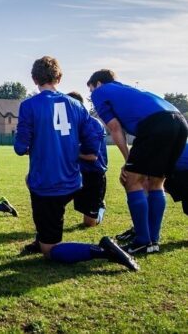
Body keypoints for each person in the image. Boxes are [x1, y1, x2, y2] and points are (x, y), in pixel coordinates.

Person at [14, 56, 138, 271]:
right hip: (74, 180)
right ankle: (42, 236)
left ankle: (102, 250)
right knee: (40, 197)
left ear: (34, 79)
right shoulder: (76, 106)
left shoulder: (29, 106)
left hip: (47, 185)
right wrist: (74, 149)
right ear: (59, 78)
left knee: (50, 251)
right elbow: (94, 138)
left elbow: (20, 147)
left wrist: (37, 143)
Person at [87, 70, 188, 254]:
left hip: (156, 124)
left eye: (91, 89)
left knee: (131, 180)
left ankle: (142, 240)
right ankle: (152, 241)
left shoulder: (100, 91)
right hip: (179, 121)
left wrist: (128, 160)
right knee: (156, 182)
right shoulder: (127, 90)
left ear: (98, 84)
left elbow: (115, 128)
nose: (91, 93)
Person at [67, 91, 107, 227]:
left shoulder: (93, 125)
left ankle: (100, 207)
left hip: (93, 173)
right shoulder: (67, 124)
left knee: (89, 223)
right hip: (74, 172)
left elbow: (92, 156)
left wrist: (69, 153)